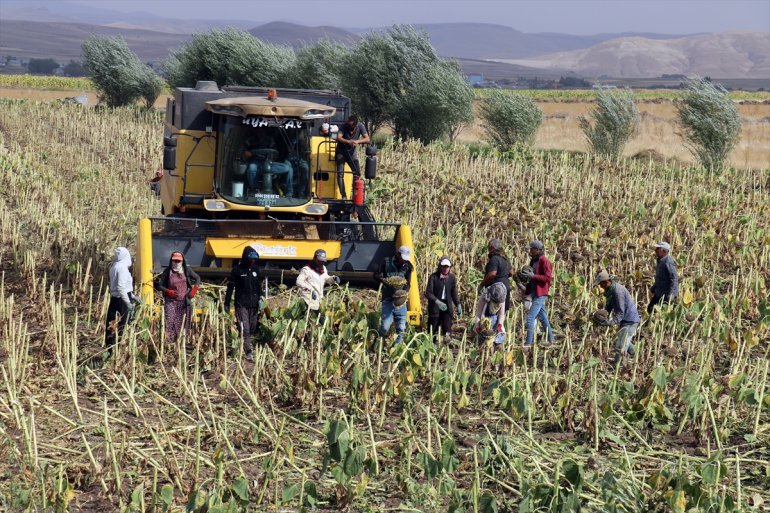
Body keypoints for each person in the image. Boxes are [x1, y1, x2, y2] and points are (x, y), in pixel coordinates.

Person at [224, 247, 262, 361]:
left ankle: (243, 343)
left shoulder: (256, 269)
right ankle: (248, 351)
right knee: (245, 328)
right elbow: (230, 287)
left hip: (254, 304)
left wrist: (261, 298)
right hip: (241, 304)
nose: (252, 261)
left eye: (254, 260)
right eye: (250, 259)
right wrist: (227, 303)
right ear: (245, 258)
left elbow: (258, 286)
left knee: (252, 327)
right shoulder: (237, 270)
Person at [594, 271, 640, 365]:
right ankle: (637, 356)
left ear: (607, 282)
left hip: (630, 320)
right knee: (623, 341)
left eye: (601, 284)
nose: (600, 286)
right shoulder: (611, 290)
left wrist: (611, 322)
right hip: (625, 320)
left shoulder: (618, 292)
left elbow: (620, 313)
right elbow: (609, 306)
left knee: (620, 346)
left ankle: (619, 366)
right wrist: (603, 314)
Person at [155, 251, 201, 342]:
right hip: (171, 301)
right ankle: (170, 342)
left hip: (184, 301)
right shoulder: (168, 271)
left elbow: (197, 278)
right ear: (171, 261)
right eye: (174, 261)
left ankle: (182, 342)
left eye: (178, 261)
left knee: (183, 322)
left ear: (182, 261)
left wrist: (194, 289)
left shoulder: (187, 270)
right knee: (170, 321)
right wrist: (168, 291)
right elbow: (159, 286)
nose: (176, 263)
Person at [375, 245, 413, 345]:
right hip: (388, 299)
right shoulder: (386, 262)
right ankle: (378, 343)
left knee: (402, 329)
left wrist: (404, 292)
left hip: (401, 302)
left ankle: (395, 349)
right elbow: (376, 275)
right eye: (403, 258)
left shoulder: (408, 266)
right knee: (385, 327)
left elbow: (408, 283)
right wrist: (383, 280)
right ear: (398, 254)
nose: (404, 261)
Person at [105, 246, 140, 348]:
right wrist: (128, 303)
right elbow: (121, 288)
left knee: (111, 324)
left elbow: (118, 287)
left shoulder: (114, 266)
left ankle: (110, 348)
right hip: (122, 300)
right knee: (124, 325)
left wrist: (133, 296)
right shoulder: (122, 268)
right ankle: (121, 348)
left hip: (114, 298)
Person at [243, 131, 295, 196]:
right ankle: (255, 189)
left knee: (288, 168)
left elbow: (275, 152)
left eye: (263, 130)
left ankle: (289, 192)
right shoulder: (250, 140)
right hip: (256, 163)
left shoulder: (270, 140)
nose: (261, 132)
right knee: (251, 167)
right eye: (259, 129)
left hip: (269, 163)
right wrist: (246, 153)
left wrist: (272, 158)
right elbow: (242, 150)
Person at [523, 240, 555, 348]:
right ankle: (551, 339)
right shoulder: (533, 260)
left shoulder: (545, 261)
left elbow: (548, 278)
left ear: (537, 249)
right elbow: (530, 275)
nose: (530, 251)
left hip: (541, 293)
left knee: (530, 317)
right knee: (543, 317)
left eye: (531, 249)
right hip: (534, 291)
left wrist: (533, 276)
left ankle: (528, 343)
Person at [296, 249, 340, 322]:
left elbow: (326, 279)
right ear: (314, 258)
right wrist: (310, 290)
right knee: (308, 319)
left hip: (319, 299)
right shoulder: (306, 269)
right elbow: (299, 281)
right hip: (308, 299)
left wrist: (333, 278)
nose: (321, 263)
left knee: (319, 319)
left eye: (322, 261)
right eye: (319, 261)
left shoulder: (323, 269)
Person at [425, 256, 461, 343]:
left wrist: (458, 304)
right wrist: (437, 302)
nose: (445, 269)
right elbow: (428, 293)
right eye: (444, 266)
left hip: (447, 306)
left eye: (447, 267)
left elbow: (454, 293)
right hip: (435, 306)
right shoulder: (433, 277)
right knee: (433, 330)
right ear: (440, 266)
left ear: (450, 267)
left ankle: (446, 345)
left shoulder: (452, 278)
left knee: (447, 328)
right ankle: (431, 345)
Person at [335, 115, 370, 199]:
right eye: (348, 125)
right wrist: (348, 141)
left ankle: (355, 195)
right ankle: (343, 196)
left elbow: (367, 139)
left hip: (352, 153)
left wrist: (357, 141)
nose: (349, 127)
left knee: (357, 174)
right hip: (341, 153)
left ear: (356, 125)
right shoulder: (343, 126)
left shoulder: (360, 126)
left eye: (351, 126)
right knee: (340, 174)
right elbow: (338, 137)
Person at [648, 241, 679, 313]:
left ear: (663, 251)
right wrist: (654, 287)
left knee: (661, 312)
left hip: (666, 294)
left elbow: (674, 278)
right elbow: (661, 277)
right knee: (651, 309)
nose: (655, 250)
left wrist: (671, 294)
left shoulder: (668, 262)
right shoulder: (660, 261)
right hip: (659, 292)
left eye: (658, 249)